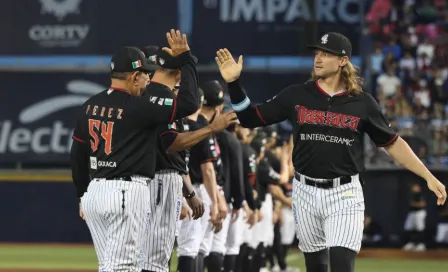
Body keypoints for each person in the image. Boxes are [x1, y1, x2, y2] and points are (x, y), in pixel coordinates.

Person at [215, 32, 447, 272]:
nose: (318, 58)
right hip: (304, 191)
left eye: (326, 54)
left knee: (341, 266)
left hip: (344, 194)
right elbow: (250, 118)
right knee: (316, 267)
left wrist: (428, 176)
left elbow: (392, 143)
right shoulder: (297, 95)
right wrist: (234, 84)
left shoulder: (362, 103)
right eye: (317, 53)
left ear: (343, 61)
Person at [71, 29, 201, 272]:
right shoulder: (140, 105)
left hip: (94, 193)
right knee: (124, 267)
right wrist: (187, 60)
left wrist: (82, 195)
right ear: (133, 76)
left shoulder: (89, 105)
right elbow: (190, 103)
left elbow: (77, 156)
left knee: (108, 265)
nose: (148, 81)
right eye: (145, 75)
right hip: (125, 192)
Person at [139, 46, 237, 272]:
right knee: (155, 259)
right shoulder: (159, 99)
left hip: (149, 181)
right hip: (156, 182)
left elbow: (169, 155)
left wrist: (188, 192)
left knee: (143, 257)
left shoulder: (138, 100)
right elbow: (173, 144)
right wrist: (188, 61)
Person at [403, 183, 427, 252]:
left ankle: (421, 244)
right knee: (409, 227)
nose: (414, 189)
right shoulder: (411, 194)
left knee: (420, 228)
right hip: (412, 212)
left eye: (416, 187)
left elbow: (423, 204)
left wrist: (413, 204)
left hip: (419, 213)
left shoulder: (420, 194)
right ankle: (411, 243)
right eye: (413, 187)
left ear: (419, 188)